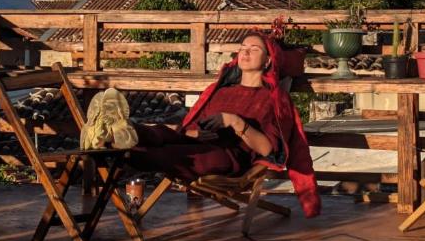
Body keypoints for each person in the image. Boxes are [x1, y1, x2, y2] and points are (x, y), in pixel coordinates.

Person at [80, 32, 321, 218]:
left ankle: (120, 143)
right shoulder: (222, 91)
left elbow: (269, 150)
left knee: (172, 153)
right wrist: (193, 131)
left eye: (253, 49)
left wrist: (234, 121)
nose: (245, 54)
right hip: (197, 141)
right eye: (242, 49)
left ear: (269, 61)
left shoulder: (272, 99)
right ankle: (114, 132)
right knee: (165, 133)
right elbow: (192, 125)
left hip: (229, 155)